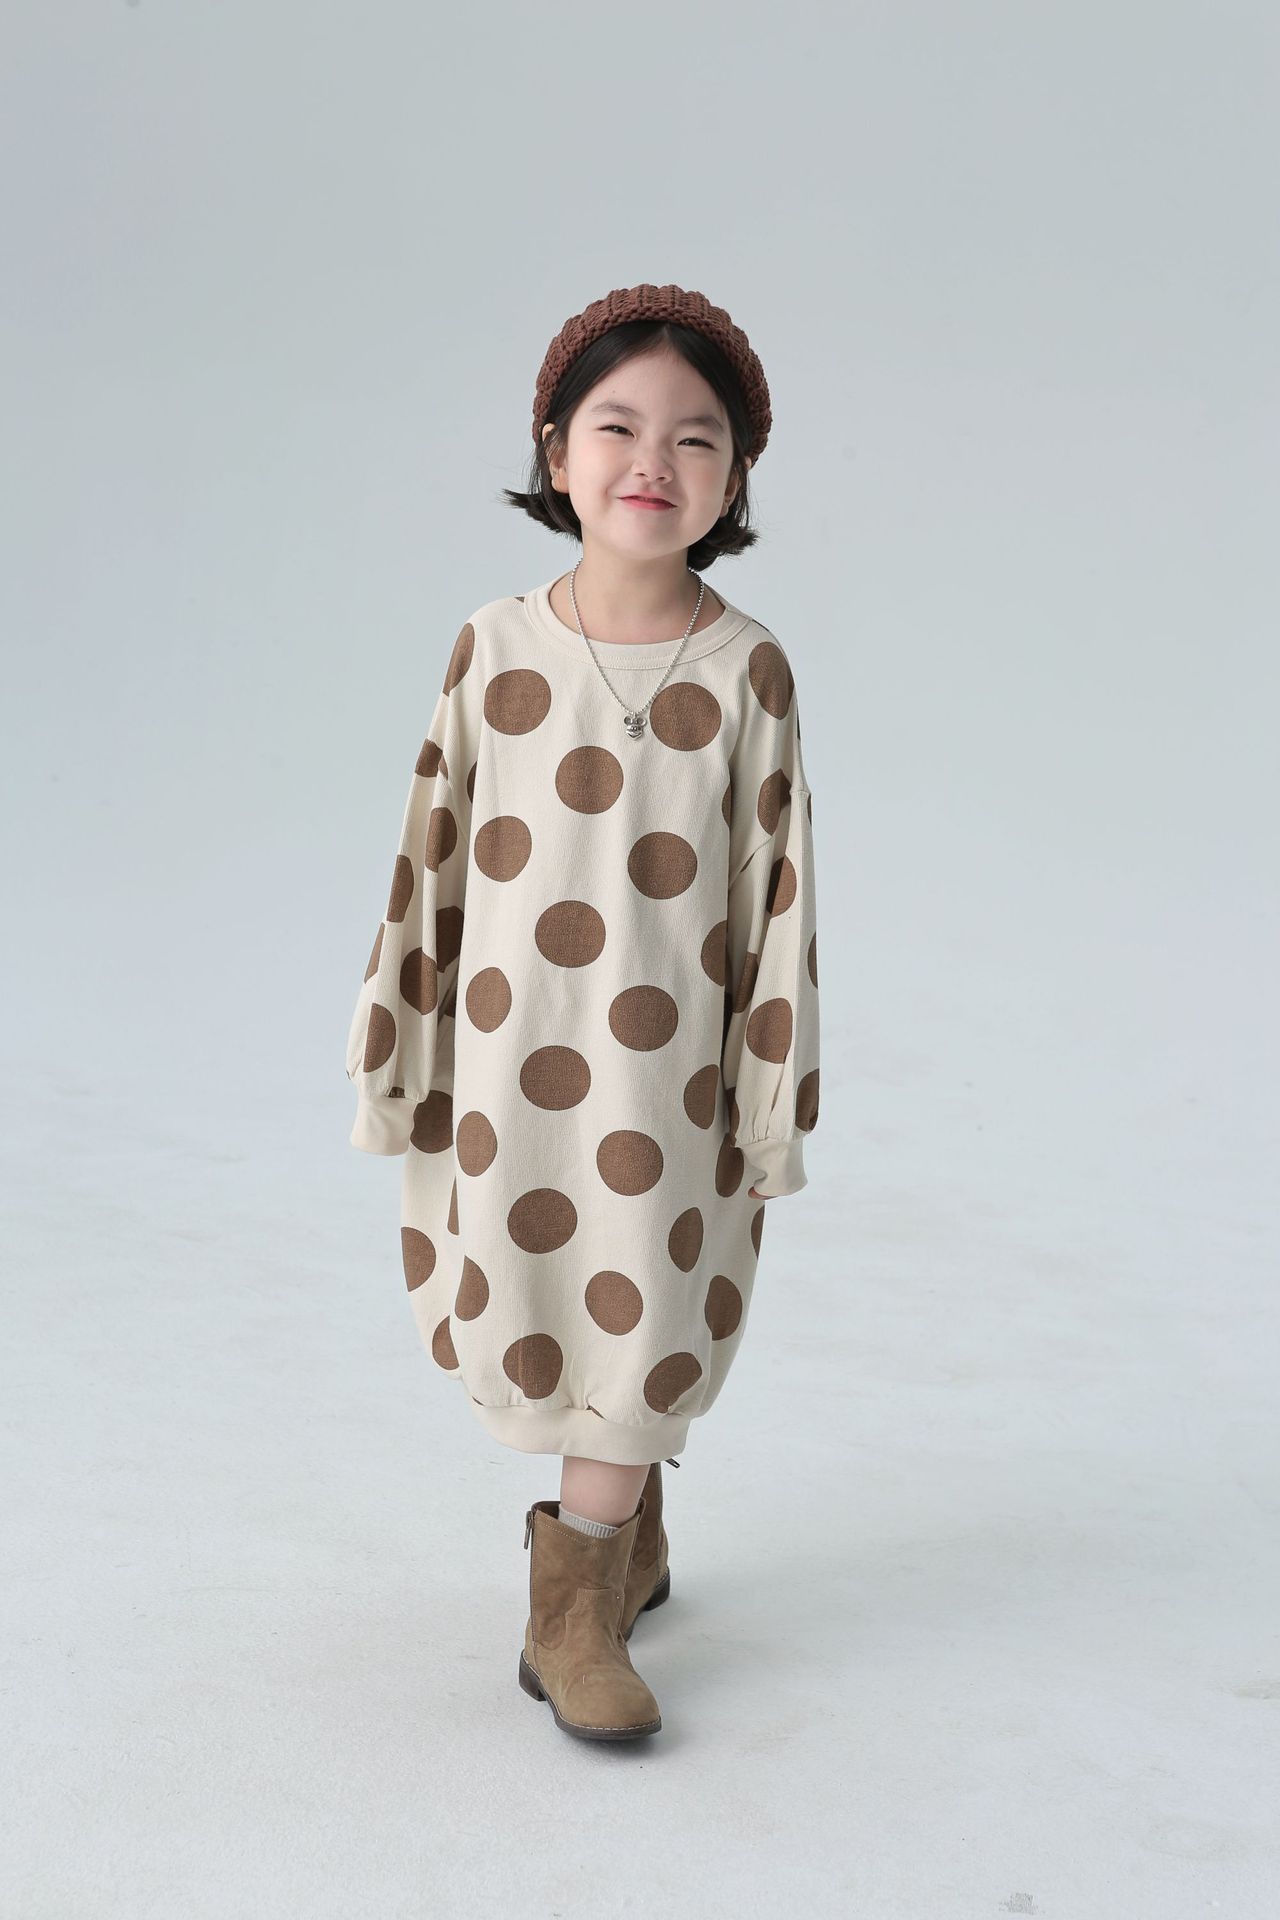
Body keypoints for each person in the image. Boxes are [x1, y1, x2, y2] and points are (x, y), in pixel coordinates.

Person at [344, 282, 821, 1743]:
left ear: (734, 477)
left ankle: (572, 1611)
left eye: (696, 436)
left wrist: (769, 1102)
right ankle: (632, 1540)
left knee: (646, 1309)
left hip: (668, 1086)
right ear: (556, 452)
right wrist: (397, 1047)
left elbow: (780, 897)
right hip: (508, 1066)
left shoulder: (747, 672)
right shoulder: (491, 648)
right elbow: (430, 852)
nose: (652, 461)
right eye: (617, 426)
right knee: (537, 1301)